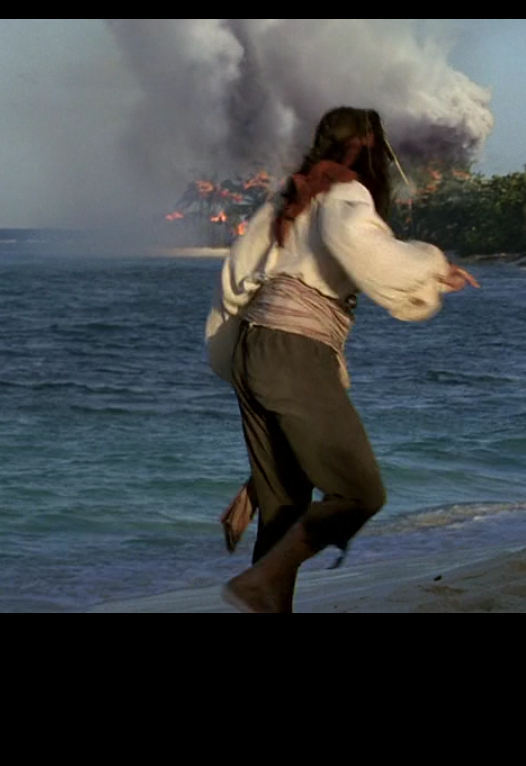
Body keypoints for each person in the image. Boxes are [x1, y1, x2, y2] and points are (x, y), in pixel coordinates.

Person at [204, 107, 478, 613]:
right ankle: (258, 585)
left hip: (253, 347)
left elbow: (235, 281)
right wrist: (434, 266)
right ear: (368, 150)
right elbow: (361, 244)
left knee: (284, 503)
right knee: (360, 493)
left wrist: (248, 377)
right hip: (291, 352)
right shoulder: (345, 194)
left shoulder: (290, 199)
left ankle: (264, 591)